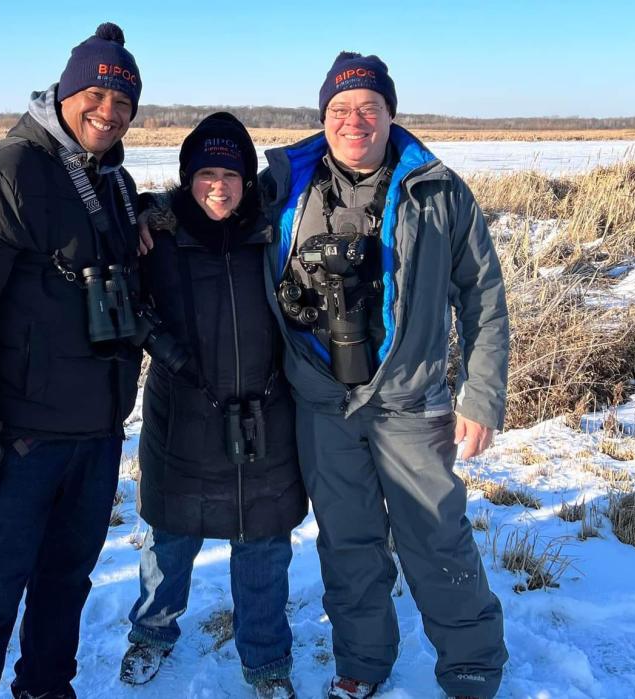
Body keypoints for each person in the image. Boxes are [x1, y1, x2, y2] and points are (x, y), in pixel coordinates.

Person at [259, 52, 510, 699]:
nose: (354, 120)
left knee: (437, 536)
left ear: (391, 113)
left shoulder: (437, 187)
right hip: (322, 402)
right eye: (339, 109)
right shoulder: (286, 183)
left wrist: (480, 393)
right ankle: (363, 662)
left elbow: (482, 292)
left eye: (368, 107)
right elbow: (212, 205)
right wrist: (156, 219)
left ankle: (472, 664)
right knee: (348, 543)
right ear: (323, 116)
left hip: (409, 400)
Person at [0, 22, 145, 699]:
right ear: (66, 91)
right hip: (21, 438)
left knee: (65, 583)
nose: (108, 114)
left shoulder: (116, 182)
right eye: (96, 97)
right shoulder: (4, 171)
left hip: (96, 431)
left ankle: (46, 688)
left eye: (123, 102)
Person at [120, 113, 307, 699]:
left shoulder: (275, 234)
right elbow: (117, 290)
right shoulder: (160, 237)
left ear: (248, 179)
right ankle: (151, 633)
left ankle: (268, 662)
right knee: (169, 539)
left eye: (230, 172)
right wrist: (146, 211)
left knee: (263, 545)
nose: (218, 186)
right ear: (187, 178)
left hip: (267, 413)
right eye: (205, 174)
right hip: (183, 415)